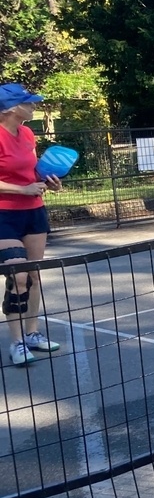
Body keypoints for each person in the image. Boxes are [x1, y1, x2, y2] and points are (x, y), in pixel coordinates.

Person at [0, 83, 63, 366]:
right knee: (18, 275)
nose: (34, 106)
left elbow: (32, 171)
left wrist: (48, 182)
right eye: (29, 103)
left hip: (34, 212)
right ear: (11, 108)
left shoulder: (26, 133)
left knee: (35, 274)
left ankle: (32, 333)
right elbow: (17, 183)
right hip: (4, 214)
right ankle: (16, 343)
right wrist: (20, 190)